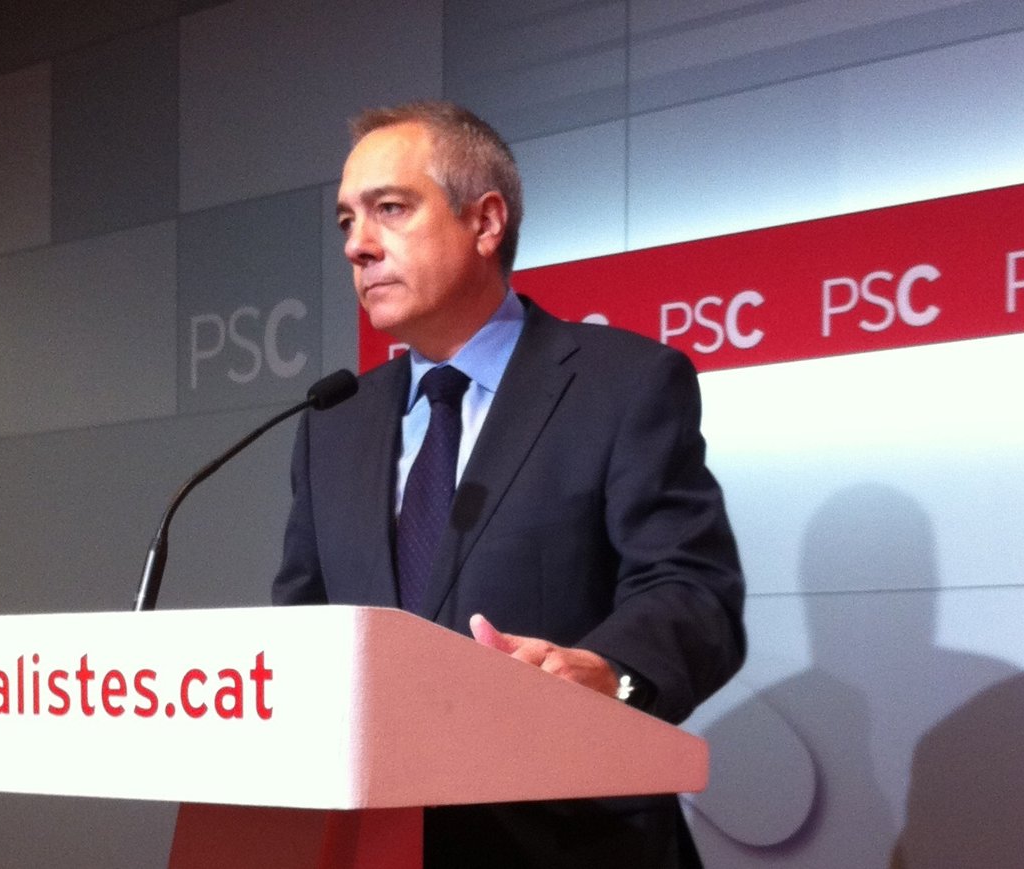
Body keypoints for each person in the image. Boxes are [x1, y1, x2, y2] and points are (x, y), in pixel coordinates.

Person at [272, 100, 745, 869]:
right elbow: (304, 626)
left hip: (571, 841)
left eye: (390, 209)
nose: (357, 244)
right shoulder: (335, 422)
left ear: (485, 221)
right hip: (377, 843)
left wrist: (607, 672)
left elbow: (692, 590)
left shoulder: (623, 384)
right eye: (346, 220)